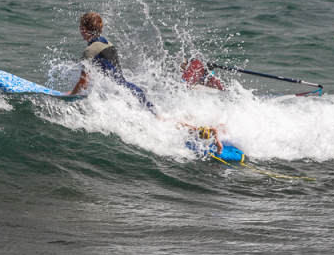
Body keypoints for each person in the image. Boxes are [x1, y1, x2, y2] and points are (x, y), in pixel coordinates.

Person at [69, 12, 223, 153]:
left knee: (162, 123)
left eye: (80, 27)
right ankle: (210, 129)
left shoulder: (90, 50)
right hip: (132, 90)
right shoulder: (107, 43)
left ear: (84, 28)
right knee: (161, 120)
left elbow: (84, 82)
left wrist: (71, 94)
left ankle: (206, 132)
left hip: (125, 96)